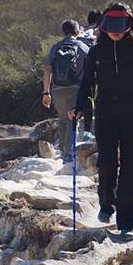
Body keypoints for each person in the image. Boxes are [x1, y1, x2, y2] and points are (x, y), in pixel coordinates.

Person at [70, 3, 133, 236]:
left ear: (128, 25)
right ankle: (106, 204)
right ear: (103, 25)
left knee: (131, 167)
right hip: (105, 116)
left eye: (119, 26)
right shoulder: (96, 52)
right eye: (111, 26)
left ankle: (129, 223)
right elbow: (87, 83)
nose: (115, 31)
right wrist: (78, 107)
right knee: (107, 163)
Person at [42, 19, 91, 162]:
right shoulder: (83, 47)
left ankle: (64, 151)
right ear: (77, 31)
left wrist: (46, 92)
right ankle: (69, 154)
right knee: (73, 119)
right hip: (76, 88)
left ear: (63, 31)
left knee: (63, 118)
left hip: (57, 89)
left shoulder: (55, 47)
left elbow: (47, 70)